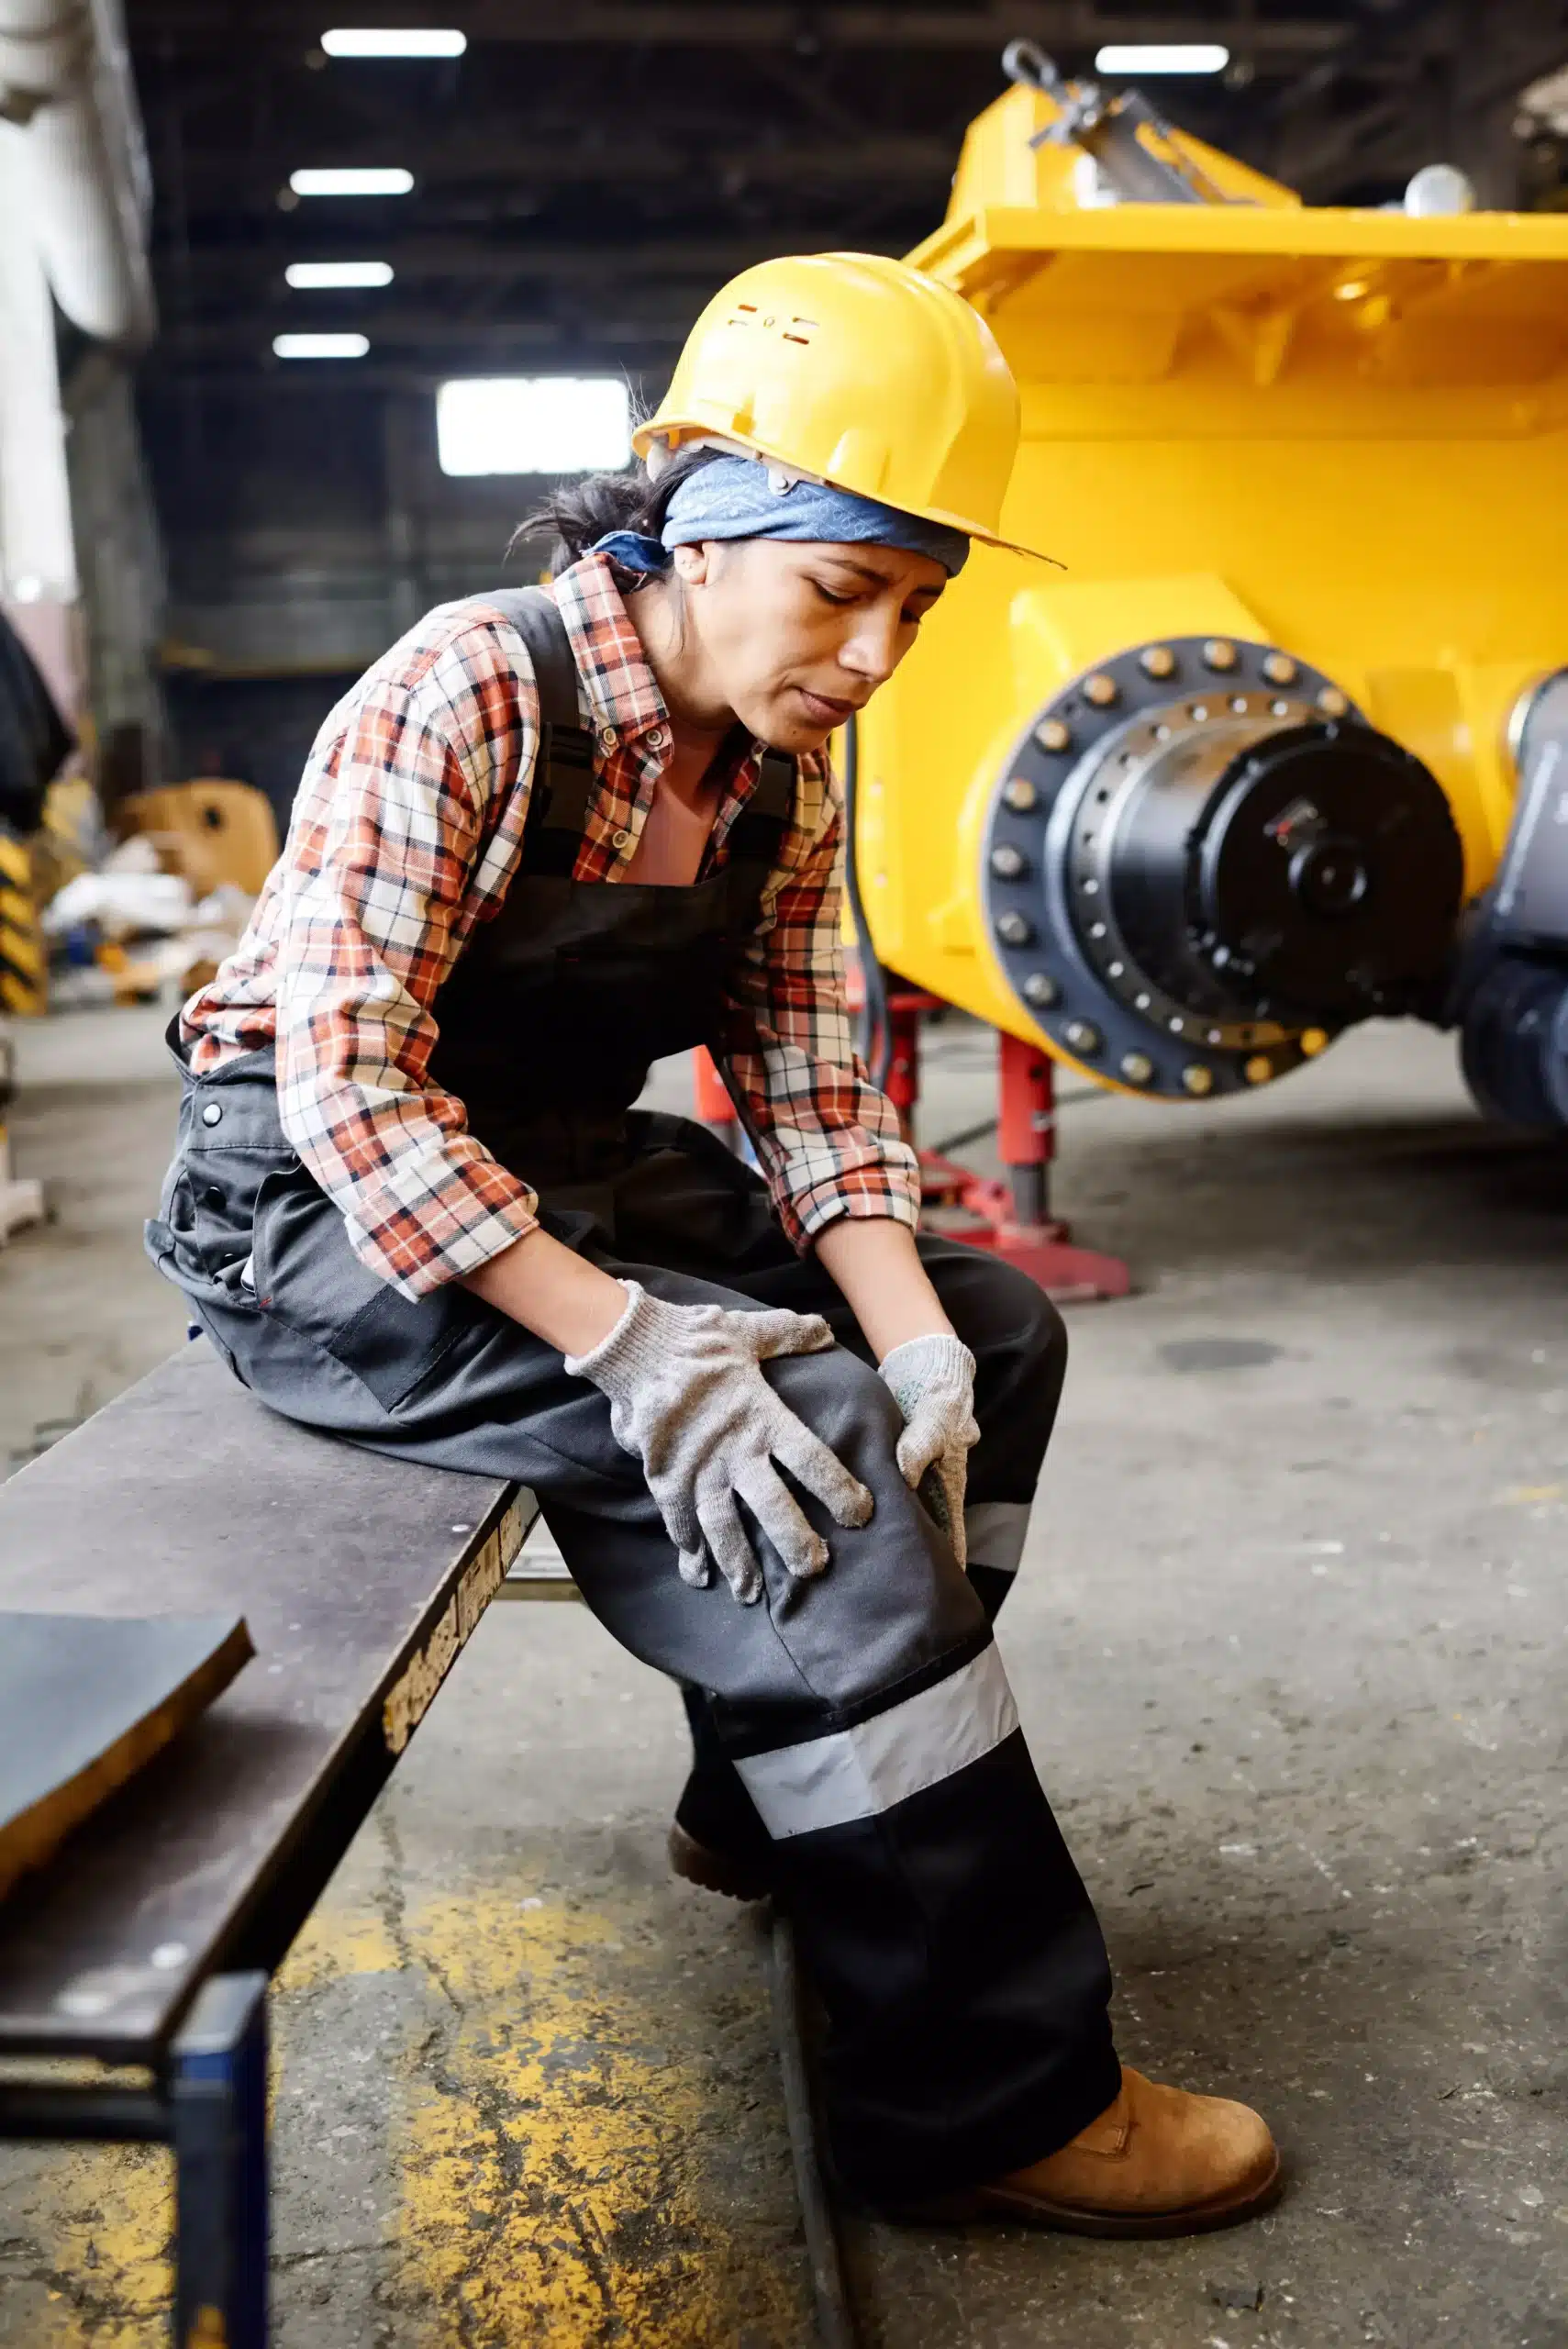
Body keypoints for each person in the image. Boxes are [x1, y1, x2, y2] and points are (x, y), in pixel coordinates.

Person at [148, 250, 1280, 2232]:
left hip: (562, 1154)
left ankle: (777, 1796)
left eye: (912, 607)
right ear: (700, 516)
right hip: (321, 1211)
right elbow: (345, 1088)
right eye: (843, 587)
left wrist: (917, 1324)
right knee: (813, 1441)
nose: (871, 649)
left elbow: (814, 1082)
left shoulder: (776, 763)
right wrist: (630, 1340)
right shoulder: (469, 685)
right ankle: (984, 2091)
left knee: (990, 1341)